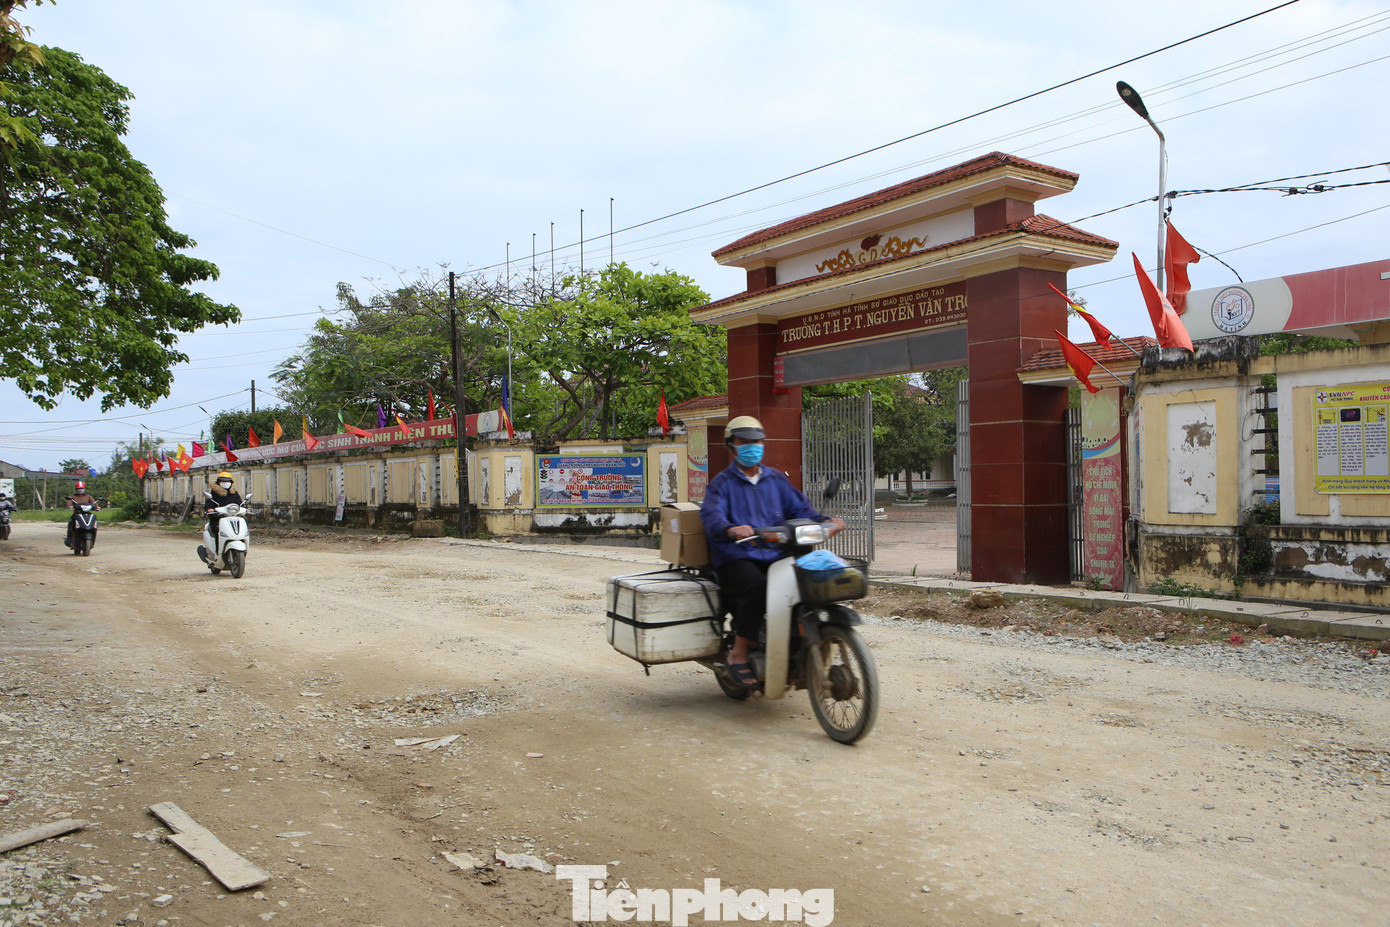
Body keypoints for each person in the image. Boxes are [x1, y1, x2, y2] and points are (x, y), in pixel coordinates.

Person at [699, 416, 844, 687]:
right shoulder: (721, 484)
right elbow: (711, 516)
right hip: (737, 556)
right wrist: (731, 529)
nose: (752, 446)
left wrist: (826, 521)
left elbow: (801, 509)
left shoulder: (775, 479)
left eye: (757, 442)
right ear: (731, 446)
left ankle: (796, 641)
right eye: (745, 441)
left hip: (776, 553)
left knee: (806, 580)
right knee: (758, 585)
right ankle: (739, 651)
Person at [201, 471, 242, 562]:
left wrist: (245, 509)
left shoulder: (234, 494)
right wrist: (210, 509)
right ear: (218, 482)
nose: (225, 483)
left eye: (227, 481)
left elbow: (240, 504)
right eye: (223, 481)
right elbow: (209, 504)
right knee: (218, 531)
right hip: (217, 520)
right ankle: (217, 552)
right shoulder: (214, 494)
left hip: (232, 519)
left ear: (231, 482)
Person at [65, 480, 100, 548]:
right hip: (77, 514)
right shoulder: (73, 497)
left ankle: (92, 537)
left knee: (94, 524)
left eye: (82, 488)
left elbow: (94, 503)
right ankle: (71, 539)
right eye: (79, 488)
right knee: (71, 525)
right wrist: (70, 506)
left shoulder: (88, 496)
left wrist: (97, 507)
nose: (80, 490)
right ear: (76, 489)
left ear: (84, 488)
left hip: (87, 514)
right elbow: (69, 504)